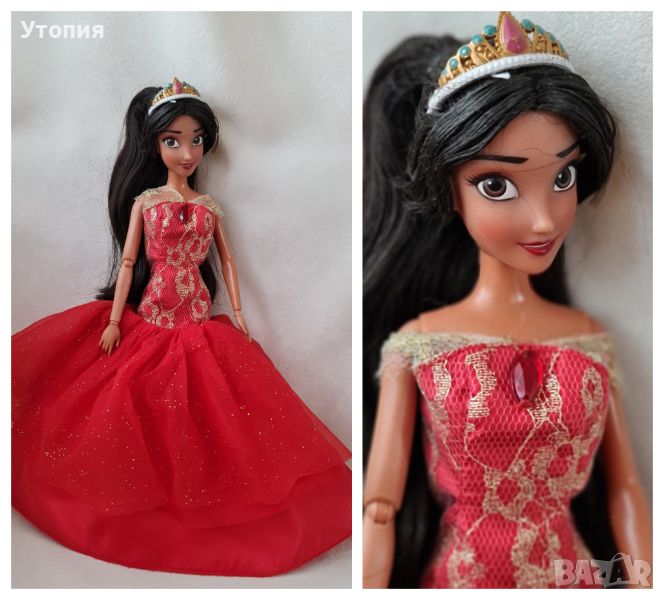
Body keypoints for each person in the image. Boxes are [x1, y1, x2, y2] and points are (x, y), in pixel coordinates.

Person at [12, 77, 351, 577]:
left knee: (209, 408)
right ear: (154, 145)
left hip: (196, 313)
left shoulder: (209, 207)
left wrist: (239, 313)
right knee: (142, 399)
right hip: (153, 311)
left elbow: (227, 260)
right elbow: (129, 262)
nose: (187, 152)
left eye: (196, 140)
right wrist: (113, 319)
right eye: (173, 141)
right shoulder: (146, 202)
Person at [363, 13, 651, 588]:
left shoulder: (590, 340)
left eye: (563, 178)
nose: (544, 220)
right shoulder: (419, 346)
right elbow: (380, 507)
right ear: (450, 189)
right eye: (496, 185)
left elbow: (625, 490)